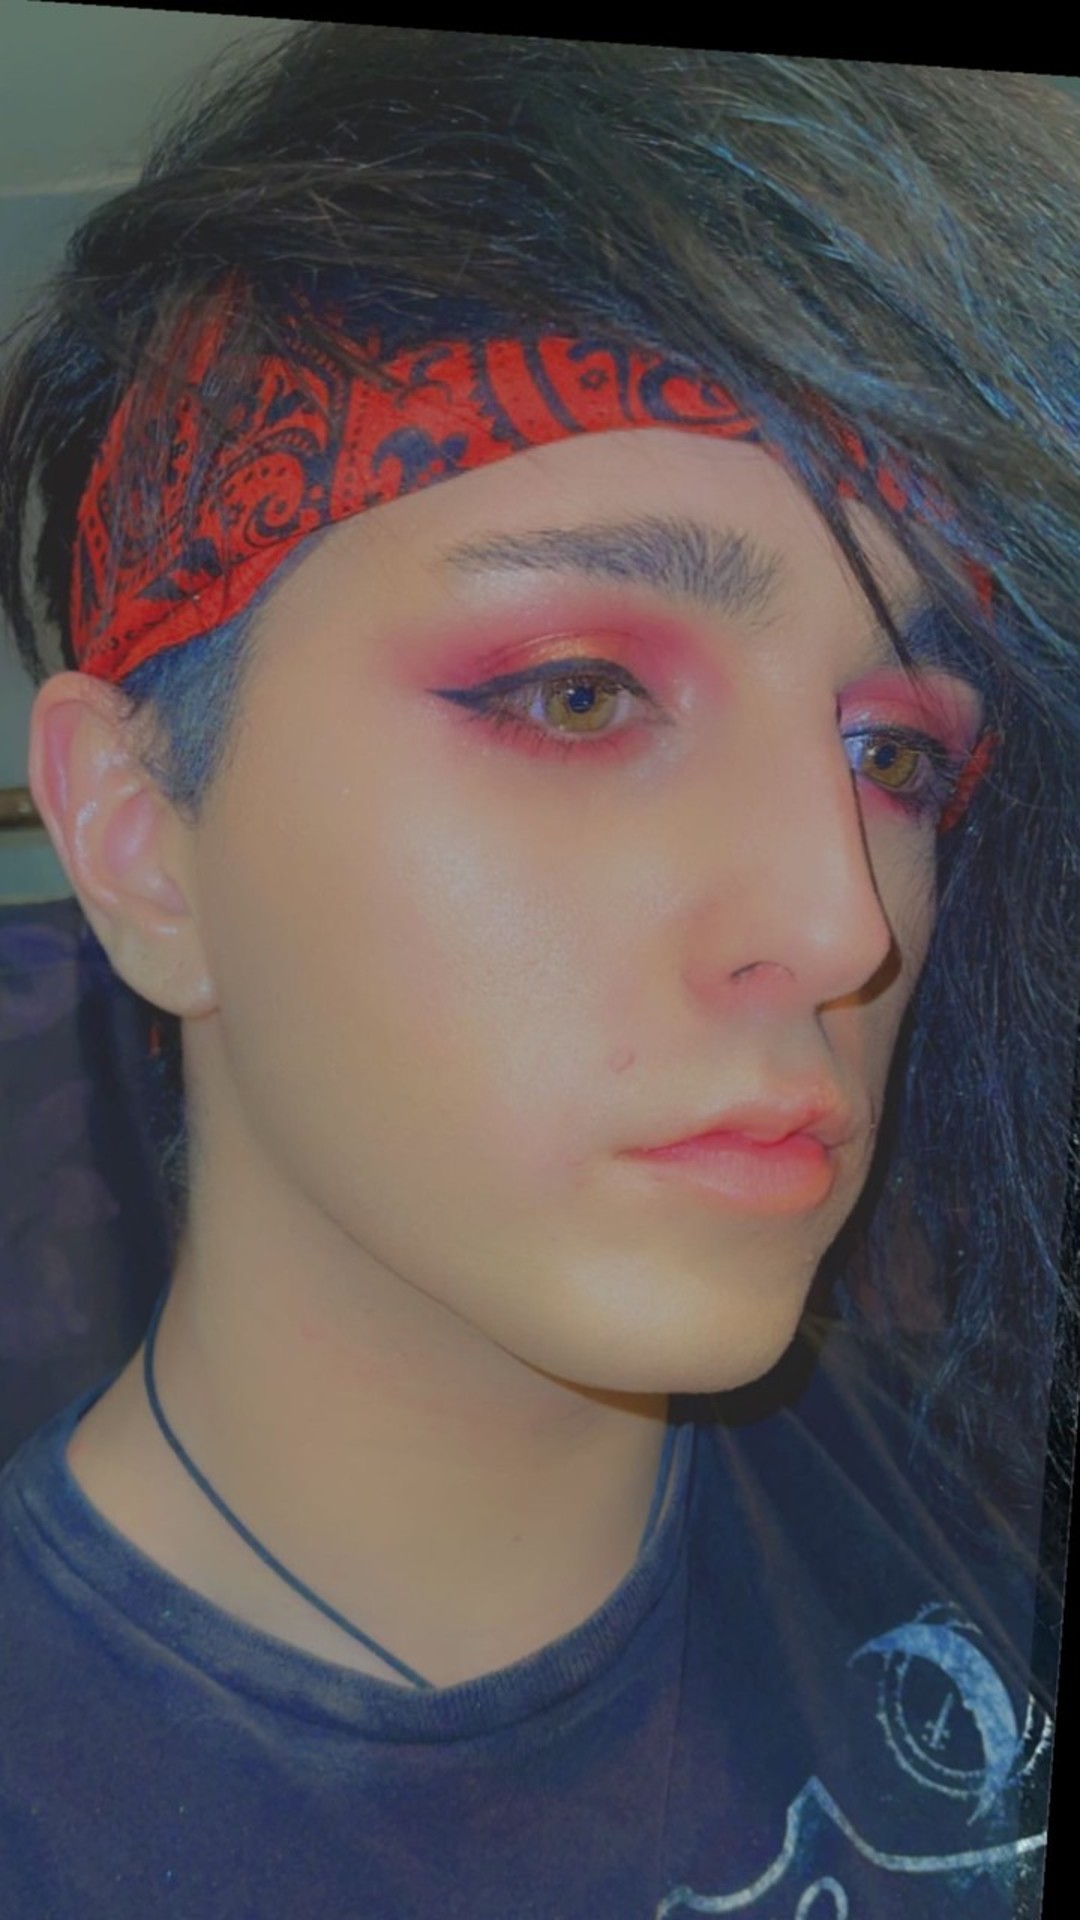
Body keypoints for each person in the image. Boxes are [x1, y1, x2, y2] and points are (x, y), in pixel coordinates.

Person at [0, 28, 1076, 1918]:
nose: (845, 925)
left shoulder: (987, 1519)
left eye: (895, 753)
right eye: (578, 697)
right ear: (141, 835)